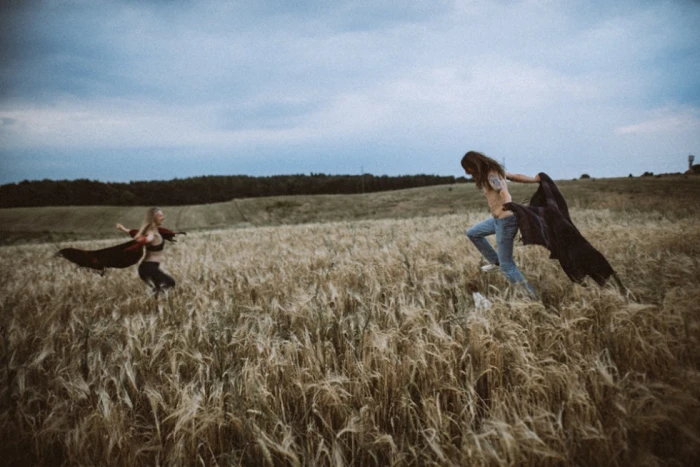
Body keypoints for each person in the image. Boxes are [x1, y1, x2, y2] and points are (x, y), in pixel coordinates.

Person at [461, 150, 539, 299]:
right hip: (497, 220)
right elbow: (515, 176)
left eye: (467, 169)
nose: (467, 172)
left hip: (506, 222)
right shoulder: (494, 172)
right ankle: (495, 261)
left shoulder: (491, 176)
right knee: (473, 233)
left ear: (474, 164)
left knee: (507, 266)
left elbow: (502, 191)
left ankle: (532, 299)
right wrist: (534, 179)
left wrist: (509, 202)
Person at [117, 207, 176, 294]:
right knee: (169, 283)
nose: (163, 217)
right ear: (154, 218)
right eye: (160, 216)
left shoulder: (155, 231)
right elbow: (146, 238)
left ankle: (154, 305)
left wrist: (124, 229)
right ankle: (153, 304)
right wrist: (143, 239)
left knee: (160, 290)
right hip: (149, 268)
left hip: (149, 268)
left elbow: (134, 232)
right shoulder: (152, 233)